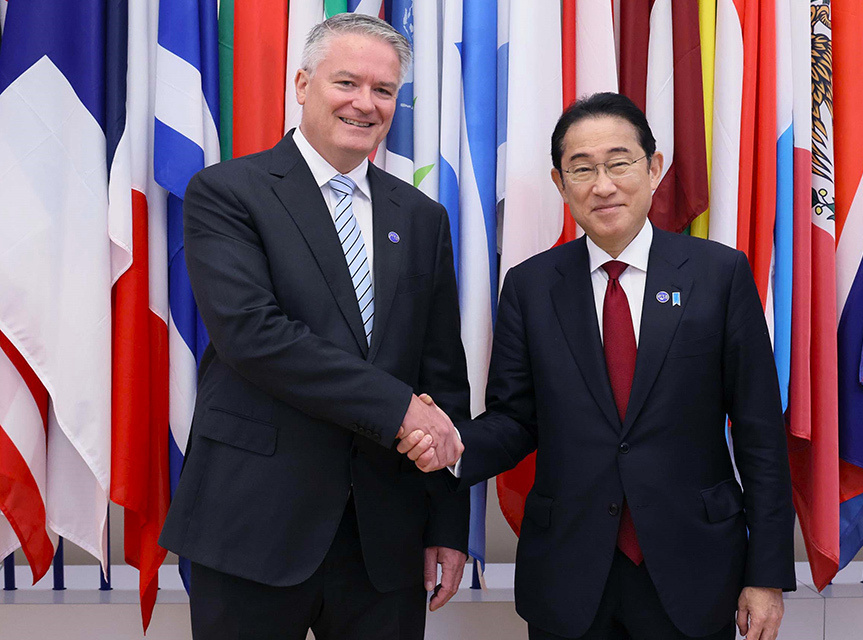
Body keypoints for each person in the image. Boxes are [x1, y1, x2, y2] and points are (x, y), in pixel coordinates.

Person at [401, 92, 796, 640]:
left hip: (693, 566)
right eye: (581, 169)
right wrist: (453, 445)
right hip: (569, 570)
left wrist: (768, 574)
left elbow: (760, 434)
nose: (602, 184)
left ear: (654, 168)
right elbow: (515, 420)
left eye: (619, 162)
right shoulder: (531, 286)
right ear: (561, 185)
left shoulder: (718, 275)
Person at [159, 13, 470, 640]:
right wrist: (398, 409)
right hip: (254, 524)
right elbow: (254, 335)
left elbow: (442, 378)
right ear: (302, 84)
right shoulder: (227, 192)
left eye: (384, 91)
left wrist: (446, 525)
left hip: (383, 538)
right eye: (347, 83)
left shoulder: (422, 215)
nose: (366, 103)